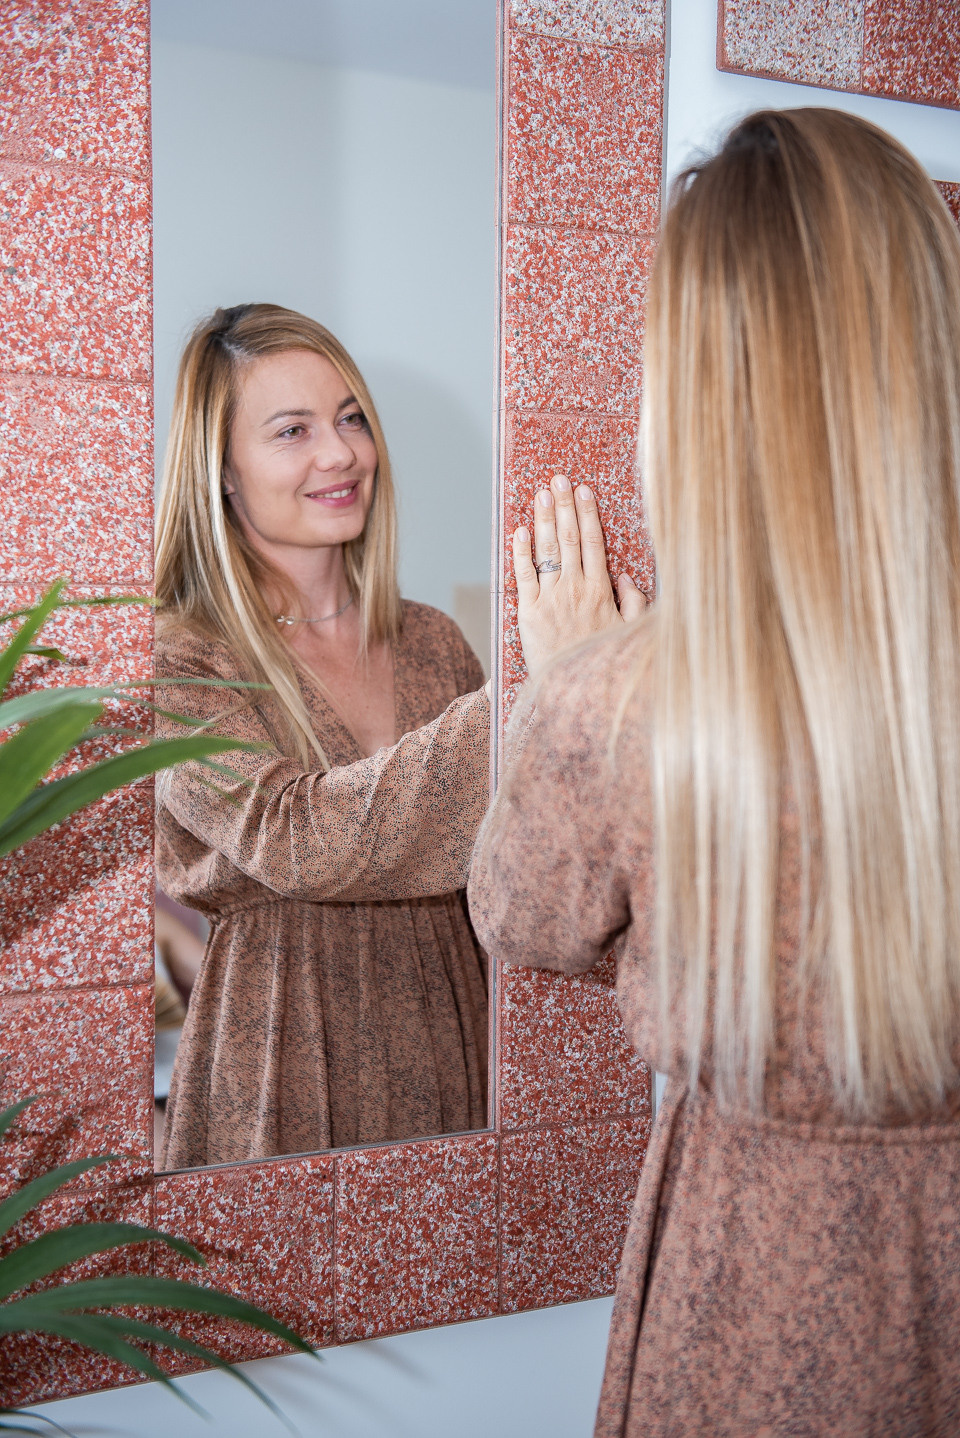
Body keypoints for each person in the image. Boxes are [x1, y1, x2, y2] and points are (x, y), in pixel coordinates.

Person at [468, 109, 960, 1435]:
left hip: (759, 1298)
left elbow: (522, 916)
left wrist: (576, 673)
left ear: (698, 384)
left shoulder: (625, 702)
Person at [153, 303, 631, 1169]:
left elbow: (518, 842)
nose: (340, 453)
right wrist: (545, 684)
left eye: (350, 419)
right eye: (291, 430)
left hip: (451, 1026)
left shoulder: (432, 640)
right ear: (220, 470)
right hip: (282, 1048)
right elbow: (295, 838)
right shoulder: (182, 657)